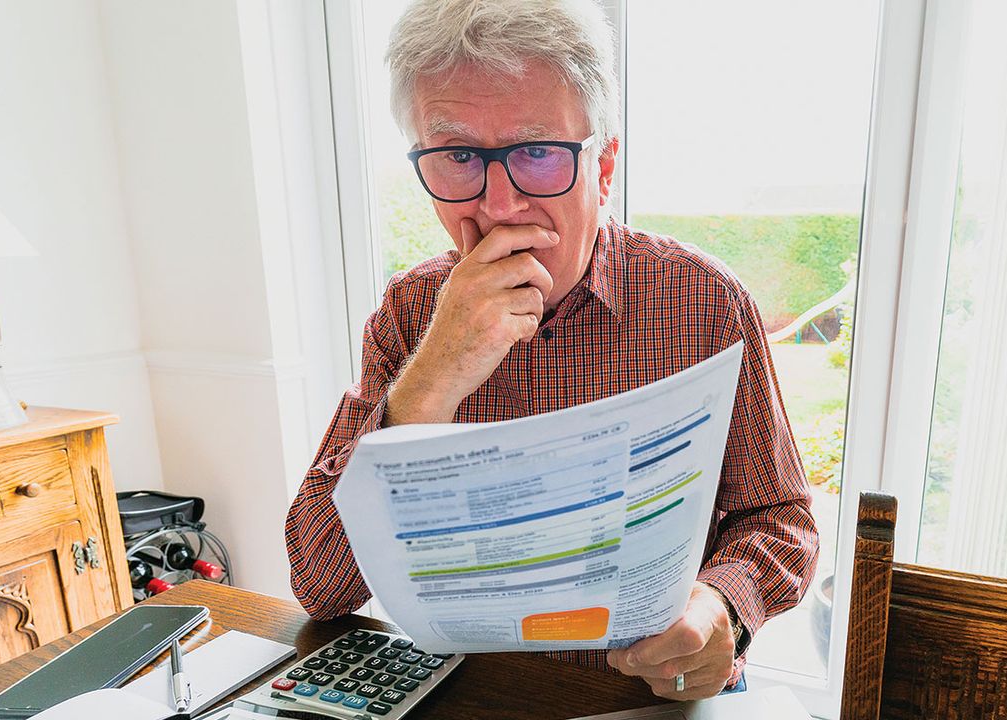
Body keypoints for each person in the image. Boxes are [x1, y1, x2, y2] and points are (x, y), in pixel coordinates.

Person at [285, 0, 818, 700]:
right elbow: (321, 586)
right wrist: (432, 378)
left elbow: (781, 518)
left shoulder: (705, 301)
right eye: (459, 156)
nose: (501, 204)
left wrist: (722, 608)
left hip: (647, 693)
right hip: (471, 692)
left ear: (603, 167)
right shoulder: (410, 313)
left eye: (538, 153)